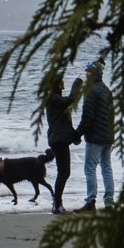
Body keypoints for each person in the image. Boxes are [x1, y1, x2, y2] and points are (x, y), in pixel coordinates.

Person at [78, 60, 115, 210]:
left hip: (95, 138)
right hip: (108, 137)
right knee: (106, 167)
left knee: (89, 168)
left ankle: (90, 201)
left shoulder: (90, 91)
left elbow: (87, 117)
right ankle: (109, 202)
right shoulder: (107, 90)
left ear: (95, 74)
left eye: (89, 71)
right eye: (86, 70)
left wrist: (78, 133)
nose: (87, 73)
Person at [45, 75, 81, 212]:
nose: (64, 85)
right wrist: (77, 83)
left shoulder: (55, 100)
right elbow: (71, 99)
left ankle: (57, 204)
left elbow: (64, 123)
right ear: (59, 85)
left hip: (59, 139)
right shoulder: (53, 98)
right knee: (64, 172)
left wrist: (75, 135)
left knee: (64, 172)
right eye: (62, 83)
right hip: (58, 140)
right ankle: (57, 204)